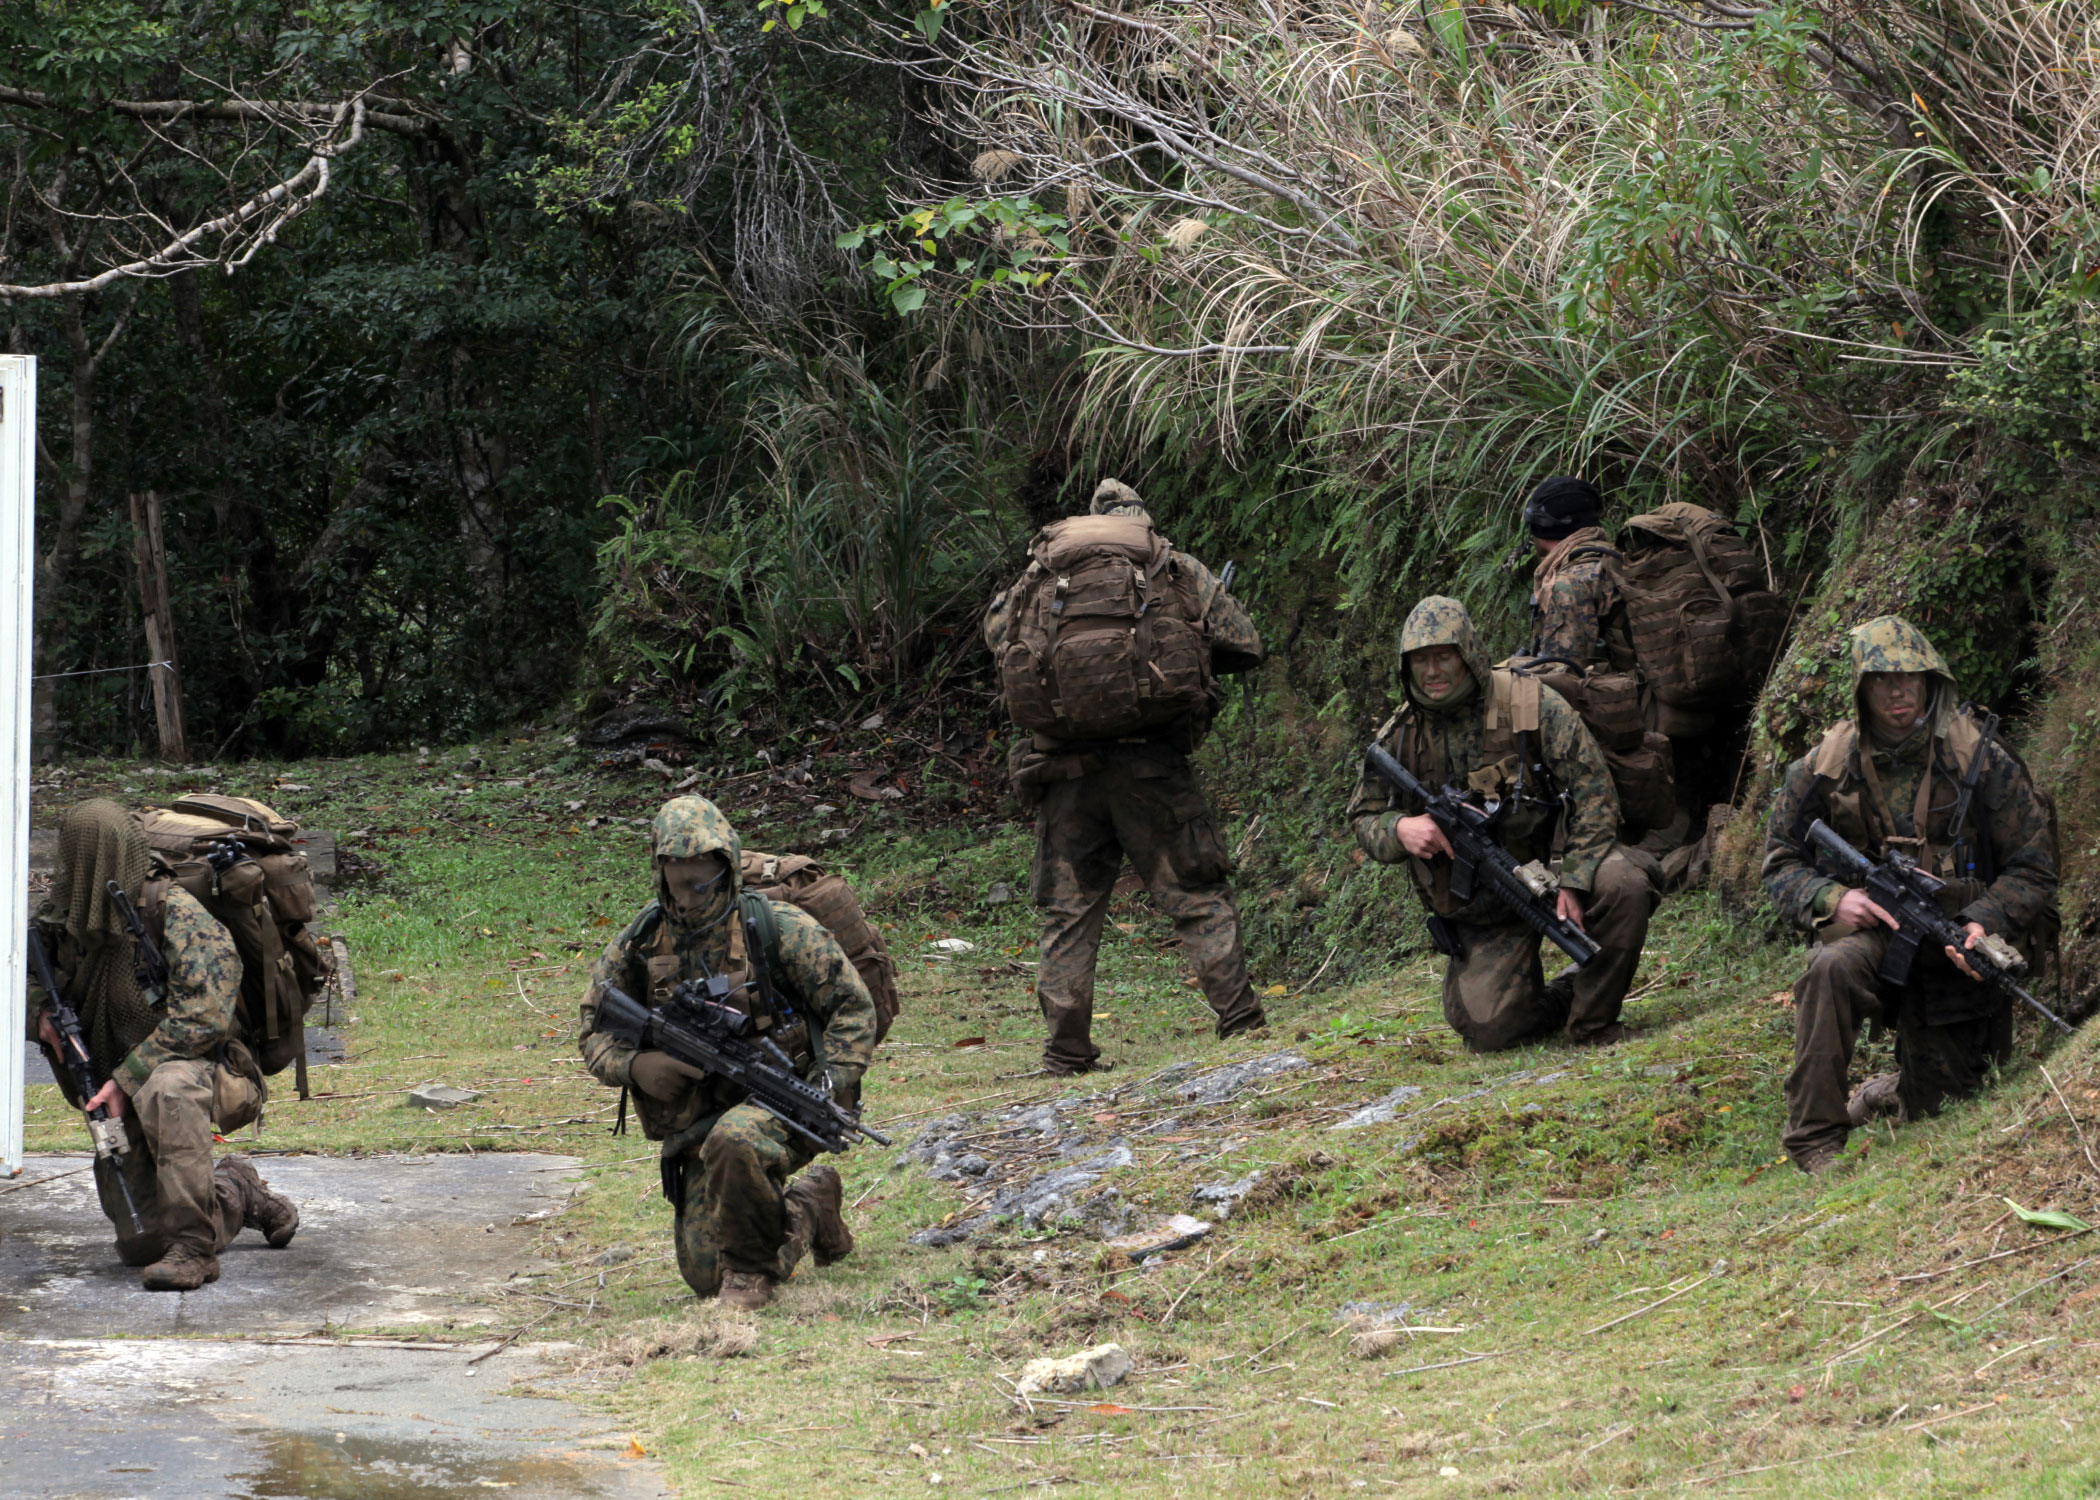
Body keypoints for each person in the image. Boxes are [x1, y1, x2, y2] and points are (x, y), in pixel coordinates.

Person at [985, 478, 1267, 1076]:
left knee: (1070, 912)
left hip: (1065, 774)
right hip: (1153, 770)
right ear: (1143, 522)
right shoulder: (1175, 566)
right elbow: (1246, 644)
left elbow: (996, 638)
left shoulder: (1043, 573)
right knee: (1195, 894)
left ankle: (1065, 1051)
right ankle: (1240, 1021)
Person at [1762, 617, 2059, 1174]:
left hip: (1956, 944)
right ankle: (1815, 1138)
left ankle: (1886, 1090)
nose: (1898, 691)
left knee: (1945, 1105)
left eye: (1911, 678)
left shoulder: (1981, 758)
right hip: (1877, 933)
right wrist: (1830, 898)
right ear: (1861, 688)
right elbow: (1779, 860)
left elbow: (2035, 867)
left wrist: (1981, 921)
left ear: (1930, 682)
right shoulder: (1825, 765)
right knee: (1829, 967)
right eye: (1882, 680)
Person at [578, 796, 876, 1310]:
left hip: (787, 1100)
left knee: (736, 1140)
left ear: (727, 868)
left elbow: (853, 1007)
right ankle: (810, 1205)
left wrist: (832, 1082)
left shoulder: (778, 928)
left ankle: (749, 1275)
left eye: (702, 884)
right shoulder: (644, 938)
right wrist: (637, 1066)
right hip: (699, 1117)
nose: (690, 899)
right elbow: (593, 1023)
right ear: (660, 872)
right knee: (702, 1275)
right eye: (677, 884)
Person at [1347, 597, 1659, 1051]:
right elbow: (1362, 817)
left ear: (1468, 653)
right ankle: (1569, 993)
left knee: (1623, 884)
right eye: (1420, 660)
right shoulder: (1401, 735)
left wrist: (1573, 880)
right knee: (1492, 1029)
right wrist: (1399, 829)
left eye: (1443, 656)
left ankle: (1593, 1025)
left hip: (1550, 868)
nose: (1431, 670)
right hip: (1483, 907)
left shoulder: (1527, 703)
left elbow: (1595, 791)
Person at [27, 800, 299, 1292]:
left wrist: (127, 1078)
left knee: (165, 1087)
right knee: (139, 1245)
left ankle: (195, 1252)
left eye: (94, 853)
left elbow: (205, 1014)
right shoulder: (59, 921)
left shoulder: (171, 909)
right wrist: (38, 1014)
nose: (83, 865)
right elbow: (20, 979)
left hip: (204, 1071)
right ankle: (236, 1189)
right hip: (112, 1087)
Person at [1523, 476, 1631, 671]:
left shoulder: (1568, 584)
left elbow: (1561, 673)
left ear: (1541, 527)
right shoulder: (1618, 556)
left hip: (1620, 696)